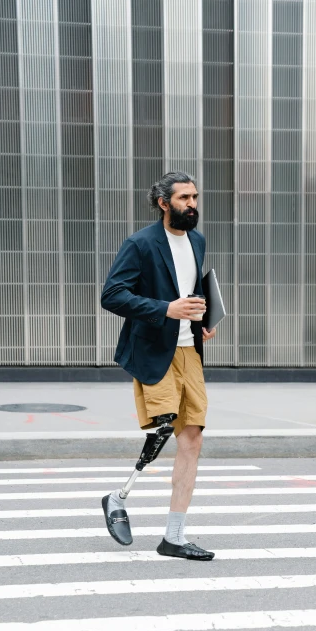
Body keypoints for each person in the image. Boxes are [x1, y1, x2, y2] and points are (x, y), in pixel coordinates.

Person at [100, 171, 216, 560]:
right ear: (164, 203)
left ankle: (174, 537)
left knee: (192, 440)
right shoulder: (140, 244)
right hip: (154, 350)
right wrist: (165, 310)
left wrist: (201, 320)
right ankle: (117, 497)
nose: (192, 205)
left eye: (195, 197)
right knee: (164, 428)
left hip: (189, 352)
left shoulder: (196, 240)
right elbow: (113, 295)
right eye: (184, 198)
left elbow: (192, 289)